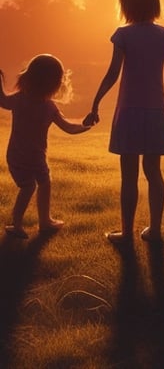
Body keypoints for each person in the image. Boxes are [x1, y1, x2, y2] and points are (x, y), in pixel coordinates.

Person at [84, 0, 164, 245]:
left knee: (129, 177)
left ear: (124, 2)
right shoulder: (163, 35)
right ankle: (155, 230)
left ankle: (126, 234)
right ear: (154, 0)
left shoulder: (123, 35)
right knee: (154, 173)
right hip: (156, 113)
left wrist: (96, 102)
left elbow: (113, 74)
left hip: (129, 114)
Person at [0, 54, 92, 238]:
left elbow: (2, 100)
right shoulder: (48, 107)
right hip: (30, 157)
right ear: (55, 84)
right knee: (35, 185)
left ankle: (32, 223)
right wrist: (86, 125)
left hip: (20, 156)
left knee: (37, 185)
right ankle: (31, 223)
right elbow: (69, 128)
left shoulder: (20, 99)